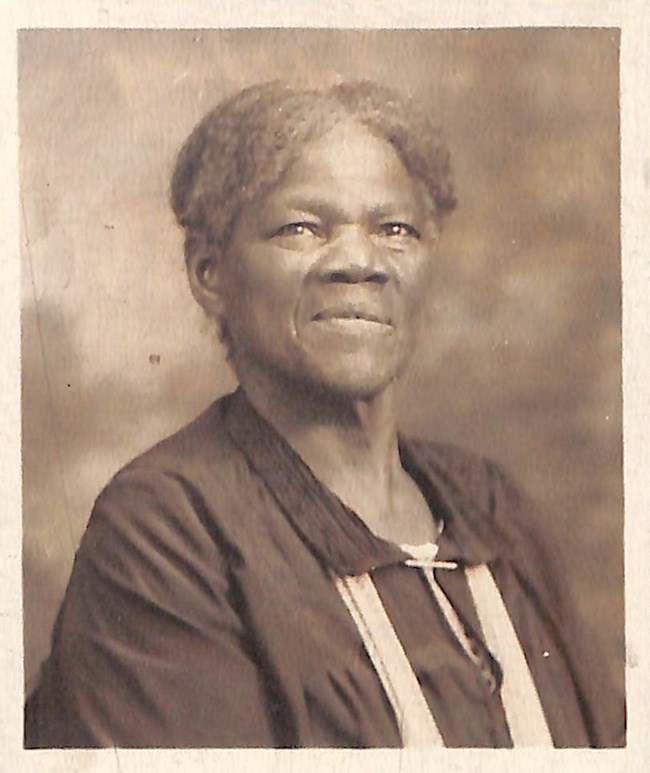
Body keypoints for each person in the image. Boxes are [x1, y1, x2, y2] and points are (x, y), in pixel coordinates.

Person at [24, 80, 624, 748]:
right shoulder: (166, 531)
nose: (359, 262)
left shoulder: (494, 510)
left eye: (394, 229)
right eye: (302, 228)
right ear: (208, 272)